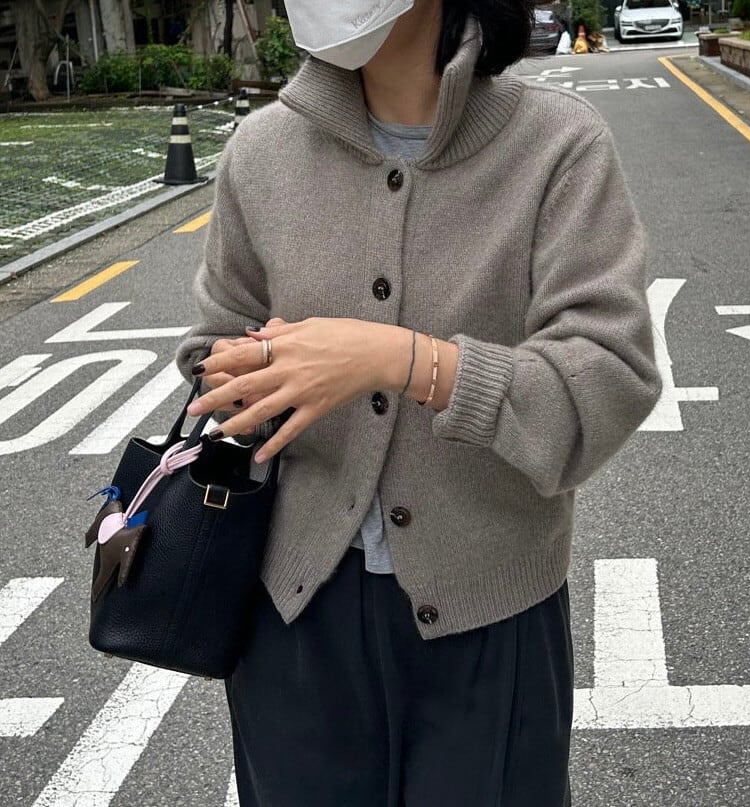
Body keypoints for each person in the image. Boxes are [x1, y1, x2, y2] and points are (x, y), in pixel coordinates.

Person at [175, 1, 661, 804]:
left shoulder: (556, 145)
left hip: (490, 609)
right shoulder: (260, 152)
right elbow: (209, 357)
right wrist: (260, 368)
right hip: (292, 610)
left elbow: (603, 379)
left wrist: (402, 360)